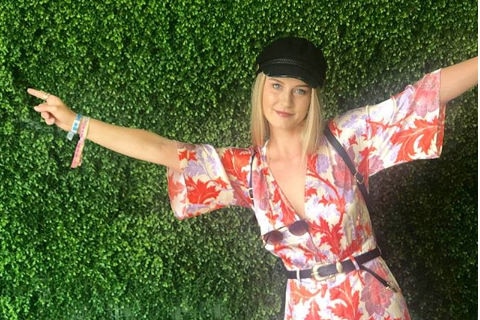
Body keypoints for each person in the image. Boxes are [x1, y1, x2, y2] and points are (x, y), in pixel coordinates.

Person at [29, 37, 477, 319]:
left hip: (374, 302)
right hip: (306, 309)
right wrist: (78, 123)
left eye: (300, 89)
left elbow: (423, 94)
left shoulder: (347, 140)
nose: (286, 99)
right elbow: (164, 150)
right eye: (277, 85)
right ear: (261, 89)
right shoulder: (247, 172)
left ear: (312, 98)